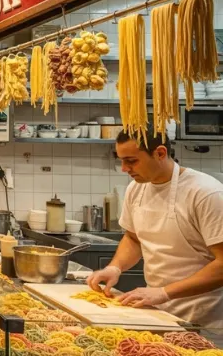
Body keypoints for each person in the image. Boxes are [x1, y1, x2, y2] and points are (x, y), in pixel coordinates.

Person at [87, 128, 223, 327]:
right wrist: (115, 267)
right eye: (121, 160)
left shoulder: (205, 193)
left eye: (131, 161)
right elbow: (133, 238)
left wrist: (164, 292)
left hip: (204, 319)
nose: (124, 168)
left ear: (160, 153)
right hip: (156, 312)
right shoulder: (136, 188)